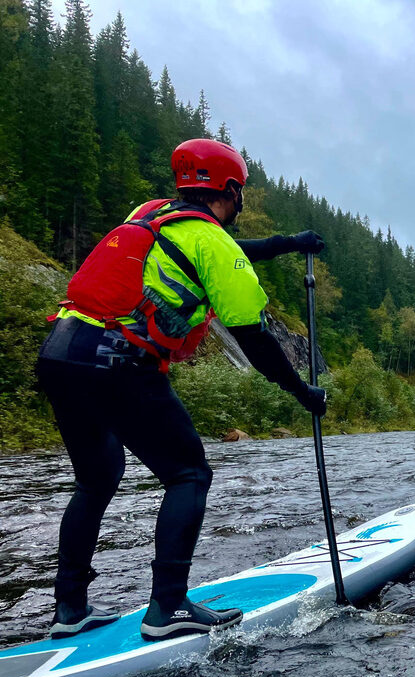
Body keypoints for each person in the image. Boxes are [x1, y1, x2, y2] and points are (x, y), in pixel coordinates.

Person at [38, 138, 326, 642]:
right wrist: (304, 393)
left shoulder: (149, 213)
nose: (240, 203)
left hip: (62, 351)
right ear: (230, 190)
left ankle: (69, 610)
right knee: (189, 472)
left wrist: (284, 244)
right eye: (241, 194)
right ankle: (168, 607)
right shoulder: (211, 241)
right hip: (117, 361)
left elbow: (216, 251)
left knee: (97, 478)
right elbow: (253, 338)